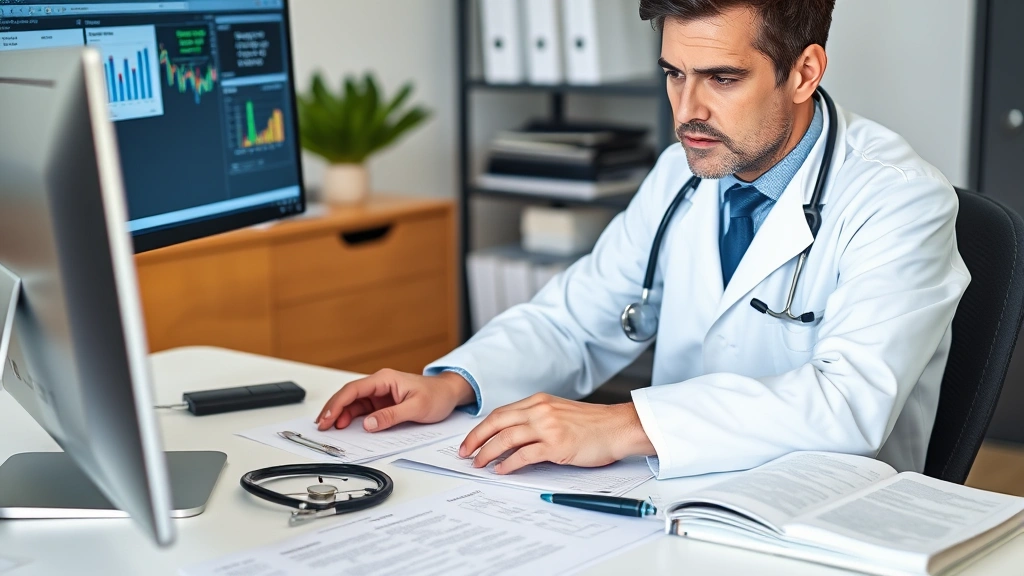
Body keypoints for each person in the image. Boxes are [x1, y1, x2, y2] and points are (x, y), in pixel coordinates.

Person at [316, 0, 970, 480]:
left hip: (826, 522)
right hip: (677, 497)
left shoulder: (900, 200)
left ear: (803, 72)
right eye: (673, 74)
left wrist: (627, 422)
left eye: (721, 78)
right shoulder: (682, 175)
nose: (686, 112)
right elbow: (577, 321)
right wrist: (456, 383)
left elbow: (848, 404)